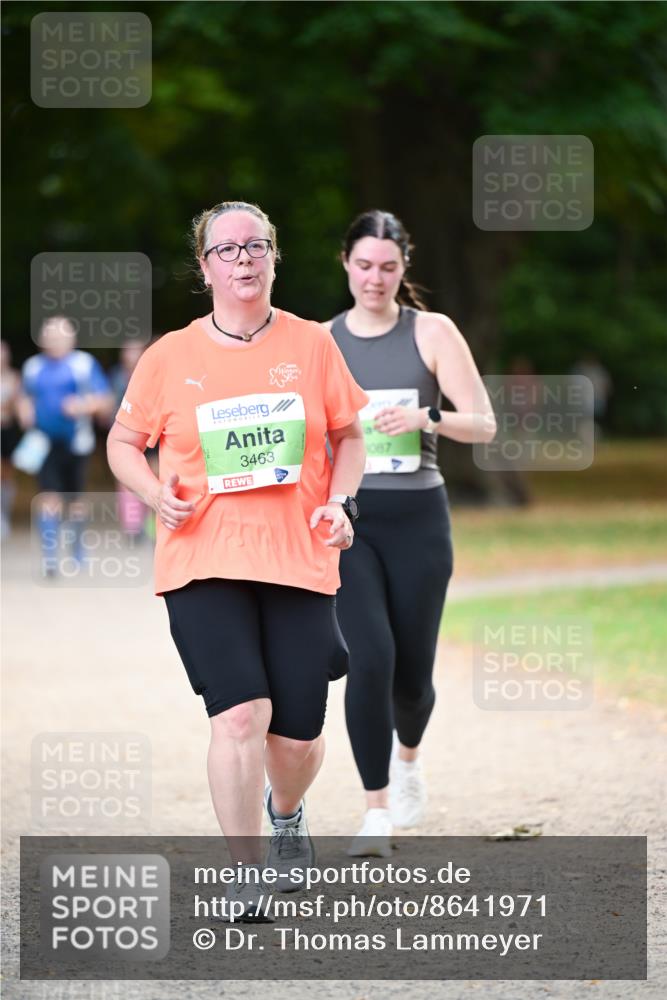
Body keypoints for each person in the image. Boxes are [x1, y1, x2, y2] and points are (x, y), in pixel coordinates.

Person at [107, 201, 367, 919]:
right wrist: (156, 494)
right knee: (239, 715)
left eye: (256, 246)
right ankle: (245, 871)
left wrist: (340, 503)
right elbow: (122, 445)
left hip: (298, 556)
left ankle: (285, 811)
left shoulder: (312, 344)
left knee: (296, 735)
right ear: (205, 267)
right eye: (227, 249)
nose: (243, 259)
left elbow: (348, 437)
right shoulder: (169, 356)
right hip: (201, 557)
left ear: (274, 257)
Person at [326, 210, 496, 856]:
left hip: (419, 520)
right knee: (369, 659)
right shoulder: (321, 340)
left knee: (411, 677)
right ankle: (374, 811)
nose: (375, 278)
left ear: (404, 268)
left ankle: (408, 759)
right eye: (364, 265)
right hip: (351, 522)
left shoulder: (431, 331)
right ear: (345, 263)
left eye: (388, 268)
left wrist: (426, 416)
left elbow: (481, 424)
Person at [16, 316, 112, 575]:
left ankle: (77, 549)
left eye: (60, 335)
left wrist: (82, 406)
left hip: (77, 443)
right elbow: (24, 396)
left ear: (71, 338)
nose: (54, 340)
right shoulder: (33, 367)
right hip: (44, 444)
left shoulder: (83, 365)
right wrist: (24, 410)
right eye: (50, 335)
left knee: (75, 501)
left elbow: (105, 400)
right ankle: (50, 558)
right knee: (49, 498)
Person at [108, 340, 158, 539]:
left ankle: (154, 522)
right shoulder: (117, 376)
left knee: (155, 475)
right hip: (126, 432)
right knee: (126, 479)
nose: (131, 355)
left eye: (135, 351)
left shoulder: (152, 375)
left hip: (152, 434)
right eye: (127, 351)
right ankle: (132, 526)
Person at [1, 341, 21, 538]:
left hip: (7, 433)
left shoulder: (14, 377)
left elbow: (15, 407)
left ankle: (3, 515)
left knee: (6, 475)